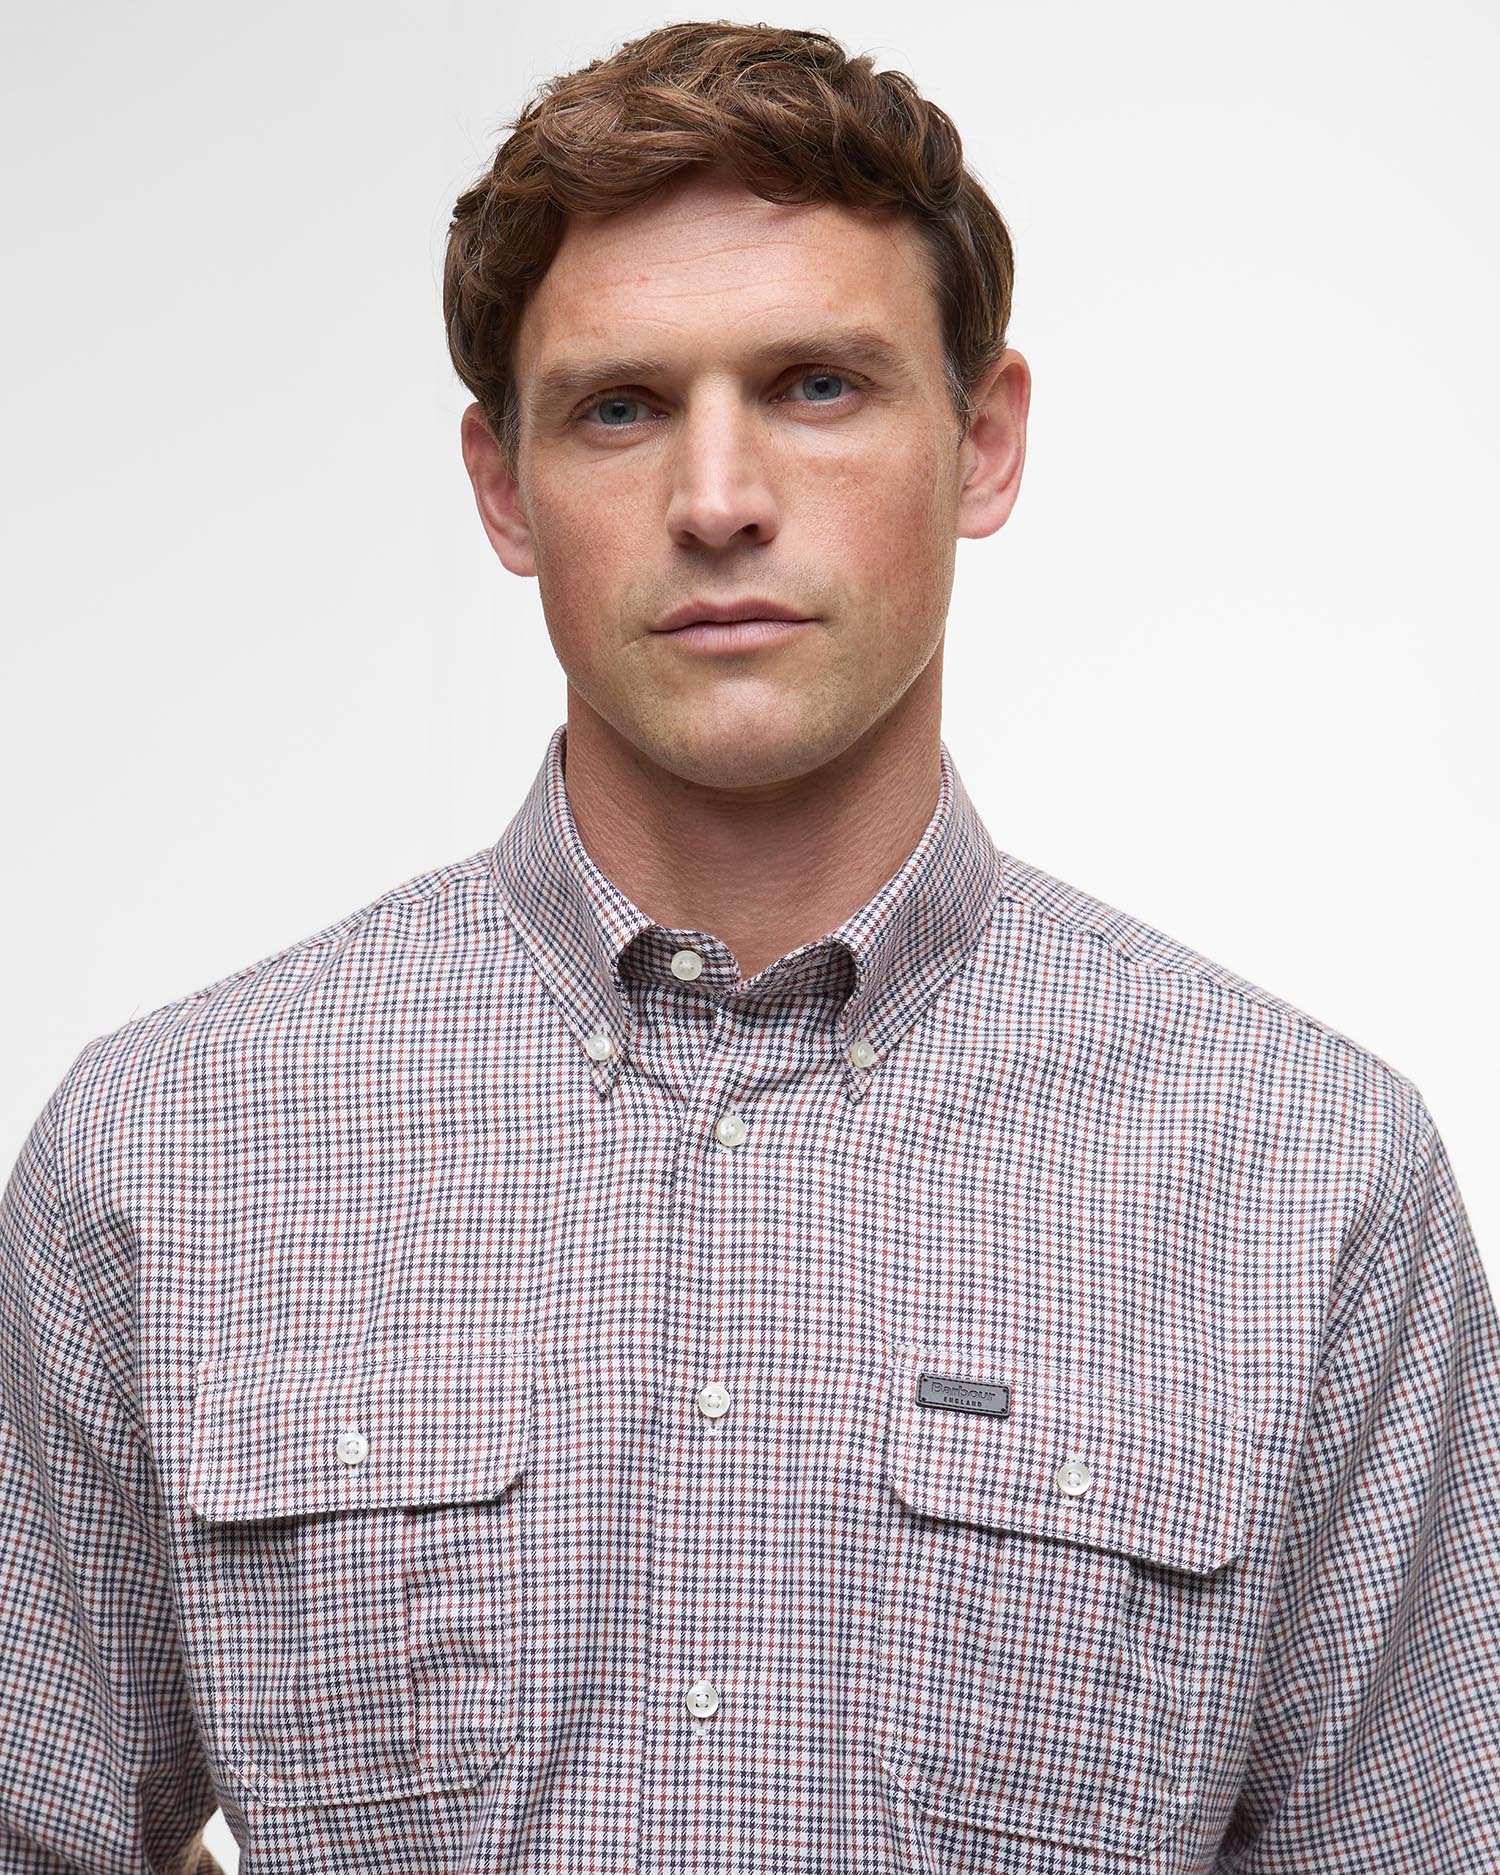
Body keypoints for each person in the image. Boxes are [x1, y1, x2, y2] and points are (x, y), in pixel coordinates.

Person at [1, 18, 1495, 1873]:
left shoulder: (1309, 1181)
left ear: (983, 442)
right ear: (503, 485)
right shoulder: (162, 1157)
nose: (717, 499)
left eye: (816, 385)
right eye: (619, 408)